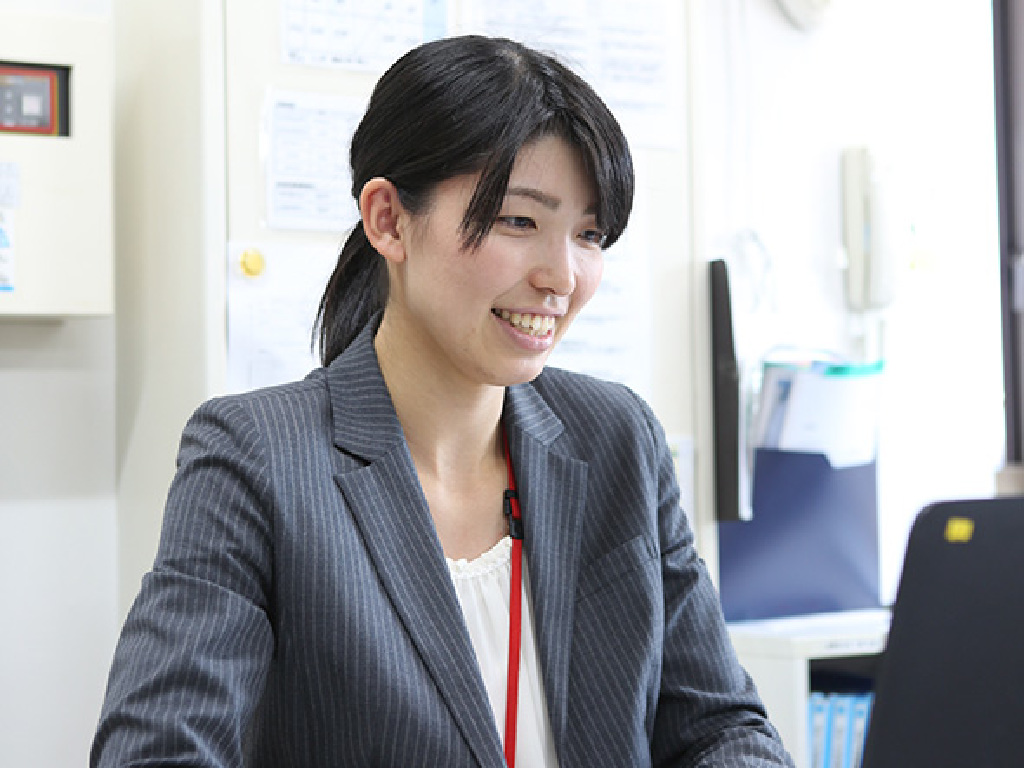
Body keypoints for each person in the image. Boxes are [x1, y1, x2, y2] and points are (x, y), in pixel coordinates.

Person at [91, 35, 793, 768]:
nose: (562, 277)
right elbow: (158, 751)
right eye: (519, 221)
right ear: (389, 219)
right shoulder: (257, 457)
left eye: (588, 234)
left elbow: (721, 727)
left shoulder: (618, 438)